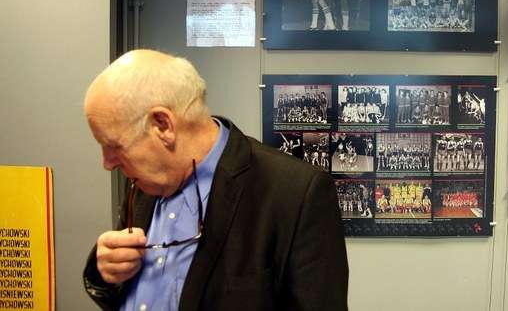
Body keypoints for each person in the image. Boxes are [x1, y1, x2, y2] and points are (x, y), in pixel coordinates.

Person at [82, 50, 348, 310]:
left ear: (163, 125)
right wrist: (105, 271)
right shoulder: (146, 180)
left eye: (114, 146)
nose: (108, 163)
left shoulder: (295, 193)